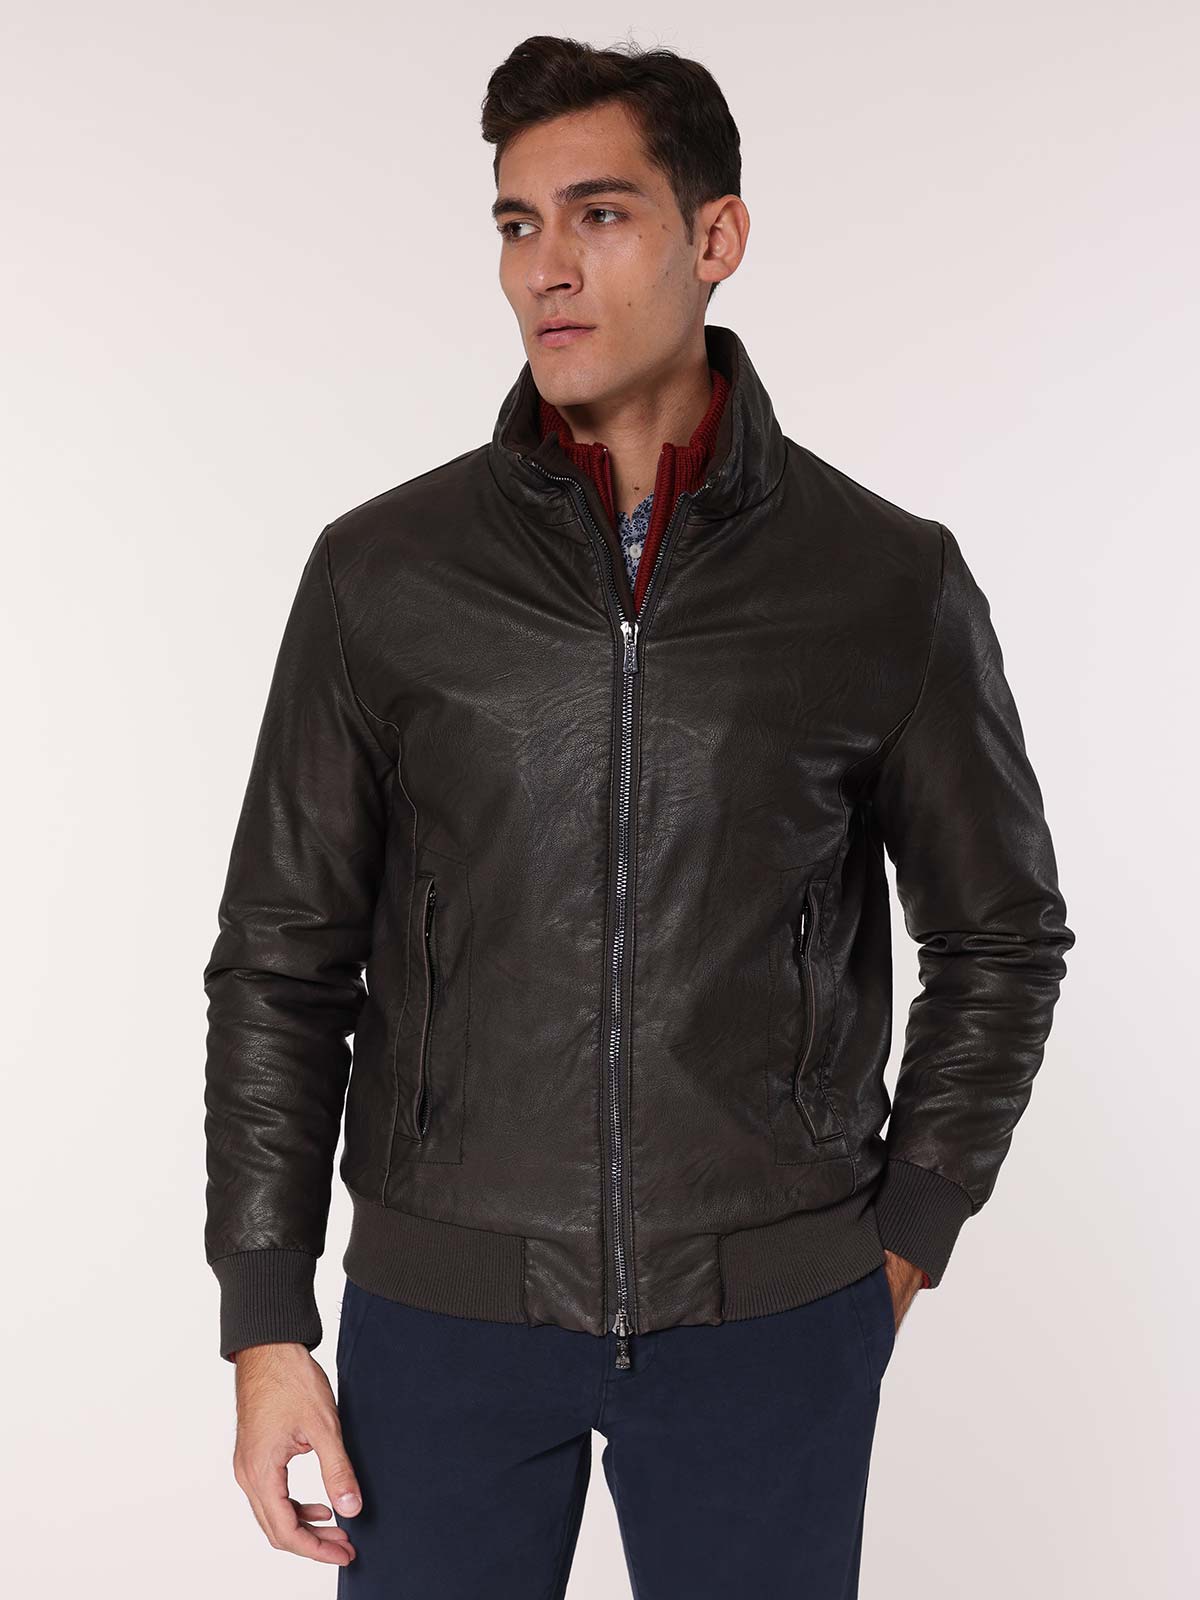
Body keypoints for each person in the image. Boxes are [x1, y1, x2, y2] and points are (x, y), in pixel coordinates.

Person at [203, 34, 1074, 1599]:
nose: (546, 266)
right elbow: (281, 956)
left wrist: (904, 1233)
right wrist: (266, 1322)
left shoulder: (884, 581)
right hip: (445, 1317)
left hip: (773, 1315)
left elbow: (1002, 936)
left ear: (715, 236)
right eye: (516, 223)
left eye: (599, 214)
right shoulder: (383, 577)